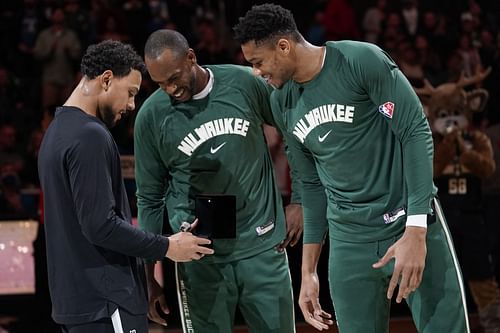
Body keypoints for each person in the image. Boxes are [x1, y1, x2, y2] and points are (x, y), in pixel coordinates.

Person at [233, 3, 470, 333]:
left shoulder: (360, 60)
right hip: (349, 243)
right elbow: (311, 185)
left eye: (257, 62)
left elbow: (414, 130)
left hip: (408, 224)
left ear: (284, 46)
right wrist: (309, 272)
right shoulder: (281, 101)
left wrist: (416, 228)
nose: (256, 72)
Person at [37, 40, 213, 333]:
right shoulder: (89, 135)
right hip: (107, 302)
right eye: (130, 93)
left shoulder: (55, 132)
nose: (131, 105)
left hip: (77, 304)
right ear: (106, 79)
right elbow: (100, 226)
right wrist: (167, 246)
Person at [134, 29, 302, 333]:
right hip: (199, 256)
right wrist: (148, 278)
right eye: (160, 83)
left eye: (174, 78)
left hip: (262, 246)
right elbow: (149, 199)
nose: (171, 89)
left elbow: (295, 134)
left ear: (191, 58)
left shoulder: (245, 83)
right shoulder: (151, 117)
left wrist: (300, 199)